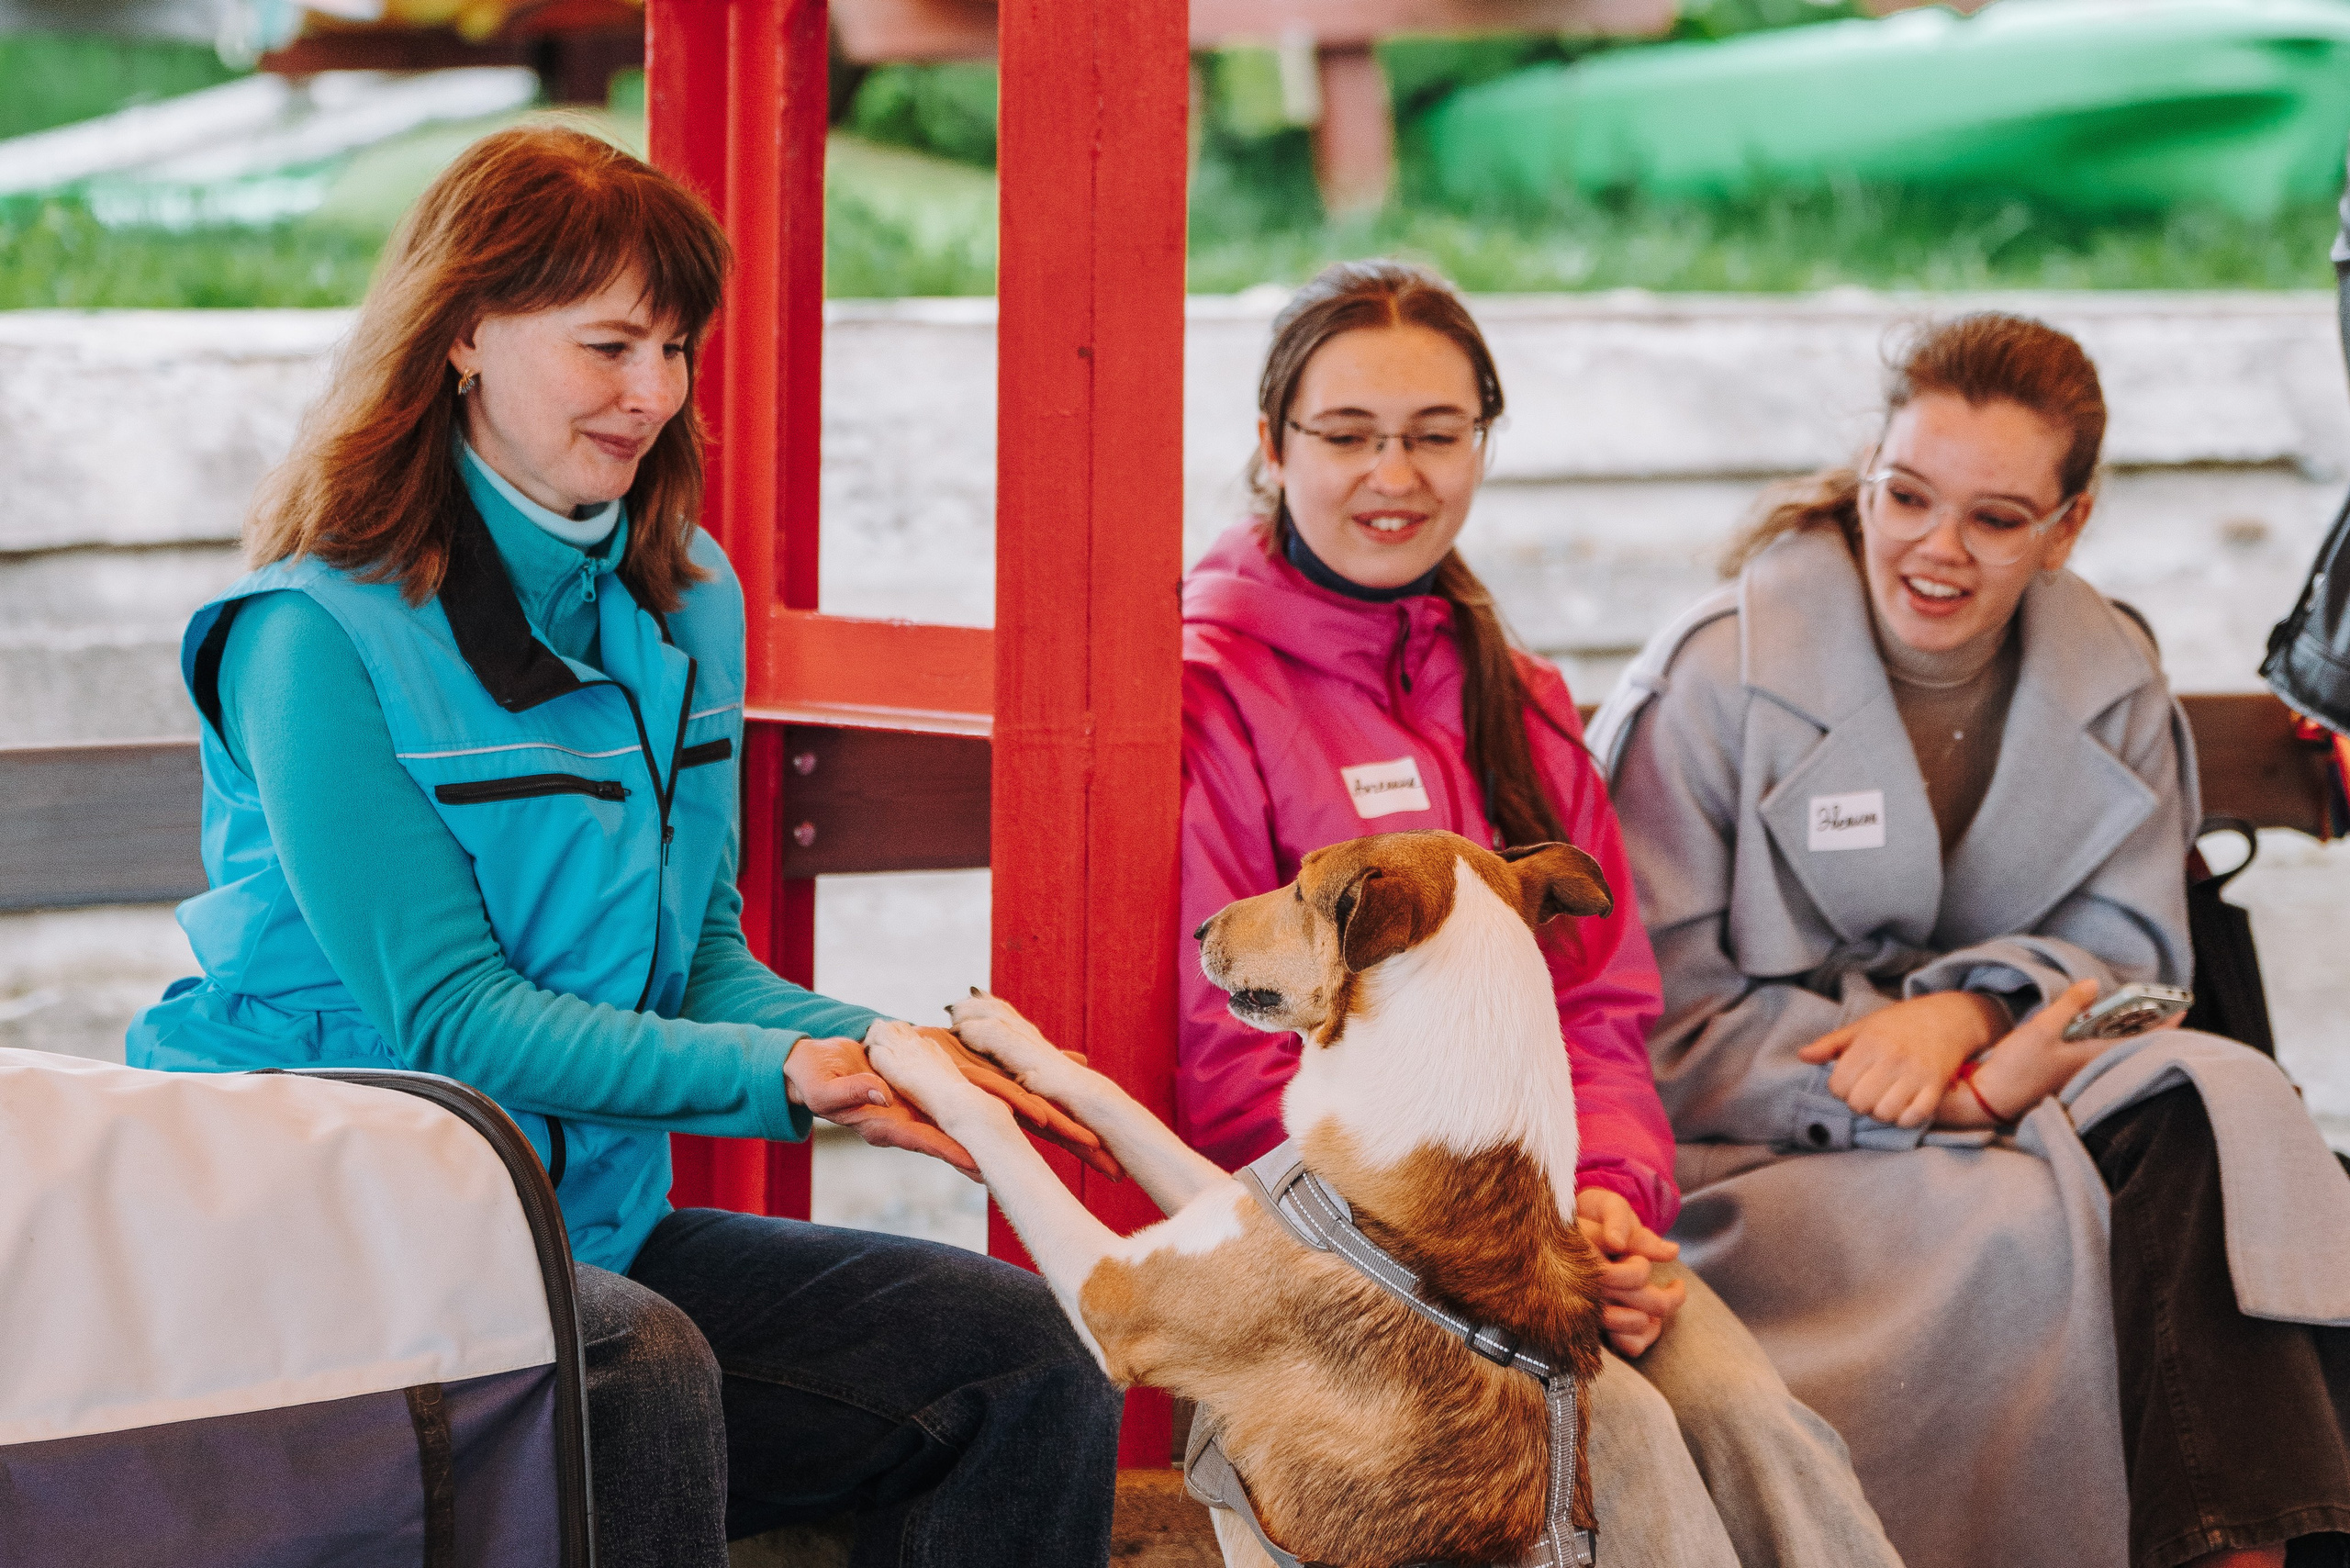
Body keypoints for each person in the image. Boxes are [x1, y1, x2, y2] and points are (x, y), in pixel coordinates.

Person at [126, 125, 1122, 1568]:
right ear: (464, 332)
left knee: (1019, 1353)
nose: (651, 394)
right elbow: (452, 1021)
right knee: (633, 1370)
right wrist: (804, 1080)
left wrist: (906, 1052)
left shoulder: (681, 595)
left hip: (572, 1237)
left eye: (675, 349)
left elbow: (699, 956)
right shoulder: (311, 637)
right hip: (338, 1245)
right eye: (607, 347)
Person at [1591, 311, 2350, 1568]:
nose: (1937, 550)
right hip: (1774, 1156)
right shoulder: (1712, 684)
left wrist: (1978, 1016)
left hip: (2033, 1089)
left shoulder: (2115, 685)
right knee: (2051, 1223)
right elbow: (1649, 1028)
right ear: (1868, 483)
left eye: (1997, 520)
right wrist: (1934, 1099)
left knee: (2230, 1102)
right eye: (1908, 498)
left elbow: (2138, 969)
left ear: (2069, 528)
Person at [1177, 258, 1904, 1568]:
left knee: (1756, 1420)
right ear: (1272, 448)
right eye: (1346, 436)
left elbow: (1603, 1010)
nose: (1393, 476)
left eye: (1435, 436)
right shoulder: (1207, 693)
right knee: (1614, 1435)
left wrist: (1611, 1200)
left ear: (1483, 444)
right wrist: (1498, 1227)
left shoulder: (1515, 693)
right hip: (1353, 1252)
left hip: (1552, 1234)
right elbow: (1229, 1054)